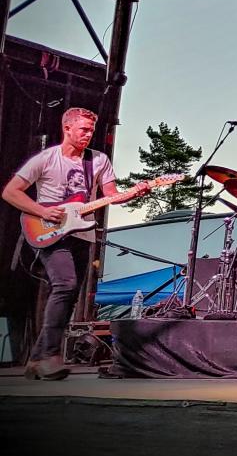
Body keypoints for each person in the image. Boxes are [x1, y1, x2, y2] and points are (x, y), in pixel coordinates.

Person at [2, 107, 147, 380]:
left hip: (82, 232)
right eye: (83, 129)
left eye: (91, 130)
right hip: (47, 230)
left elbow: (111, 195)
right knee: (65, 285)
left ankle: (37, 359)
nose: (88, 135)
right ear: (67, 128)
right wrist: (43, 211)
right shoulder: (46, 159)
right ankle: (49, 356)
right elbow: (11, 192)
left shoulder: (98, 160)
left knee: (69, 296)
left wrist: (135, 193)